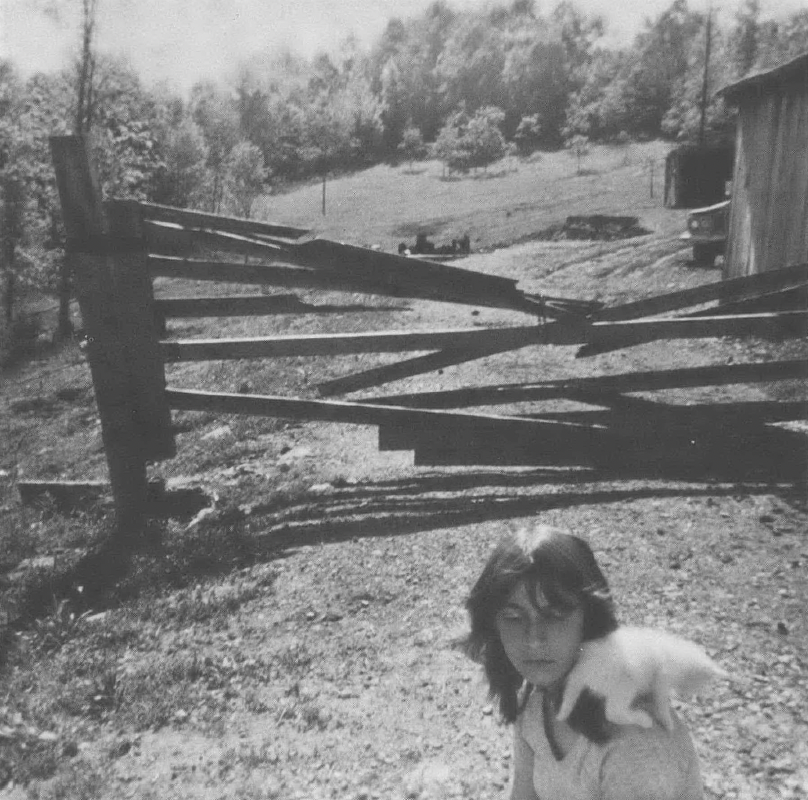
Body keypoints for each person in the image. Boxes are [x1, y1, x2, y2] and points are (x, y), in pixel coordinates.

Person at [463, 524, 705, 800]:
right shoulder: (535, 702)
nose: (533, 639)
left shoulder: (636, 743)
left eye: (554, 614)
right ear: (493, 626)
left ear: (589, 621)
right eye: (514, 617)